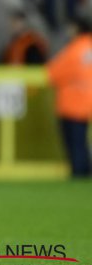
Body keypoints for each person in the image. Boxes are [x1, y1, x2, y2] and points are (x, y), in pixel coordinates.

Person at [47, 15, 92, 178]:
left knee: (74, 143)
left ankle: (79, 172)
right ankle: (85, 169)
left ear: (77, 29)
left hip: (72, 104)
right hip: (88, 103)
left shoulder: (74, 50)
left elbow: (52, 73)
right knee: (82, 142)